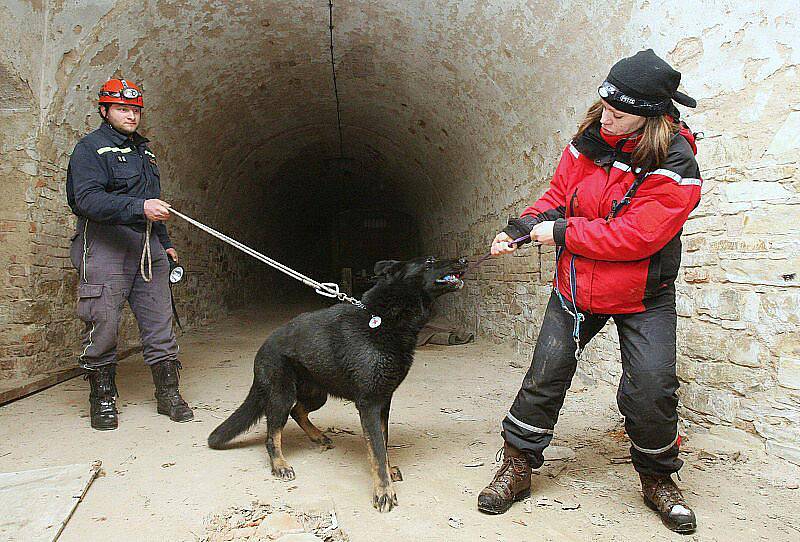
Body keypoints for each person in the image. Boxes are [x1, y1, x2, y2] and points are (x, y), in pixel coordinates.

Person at [477, 50, 702, 533]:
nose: (606, 114)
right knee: (545, 374)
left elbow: (636, 236)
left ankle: (658, 478)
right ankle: (517, 463)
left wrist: (558, 234)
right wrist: (523, 227)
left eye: (619, 110)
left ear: (650, 114)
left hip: (643, 294)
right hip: (576, 286)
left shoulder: (676, 163)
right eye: (604, 103)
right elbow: (558, 196)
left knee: (651, 388)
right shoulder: (588, 141)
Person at [66, 78, 193, 431]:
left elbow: (156, 203)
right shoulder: (90, 149)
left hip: (147, 245)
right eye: (122, 109)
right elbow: (86, 199)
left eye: (136, 110)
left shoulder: (144, 152)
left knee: (159, 319)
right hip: (107, 245)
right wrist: (140, 207)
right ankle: (102, 399)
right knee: (103, 321)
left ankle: (168, 394)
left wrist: (164, 241)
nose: (131, 116)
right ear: (104, 110)